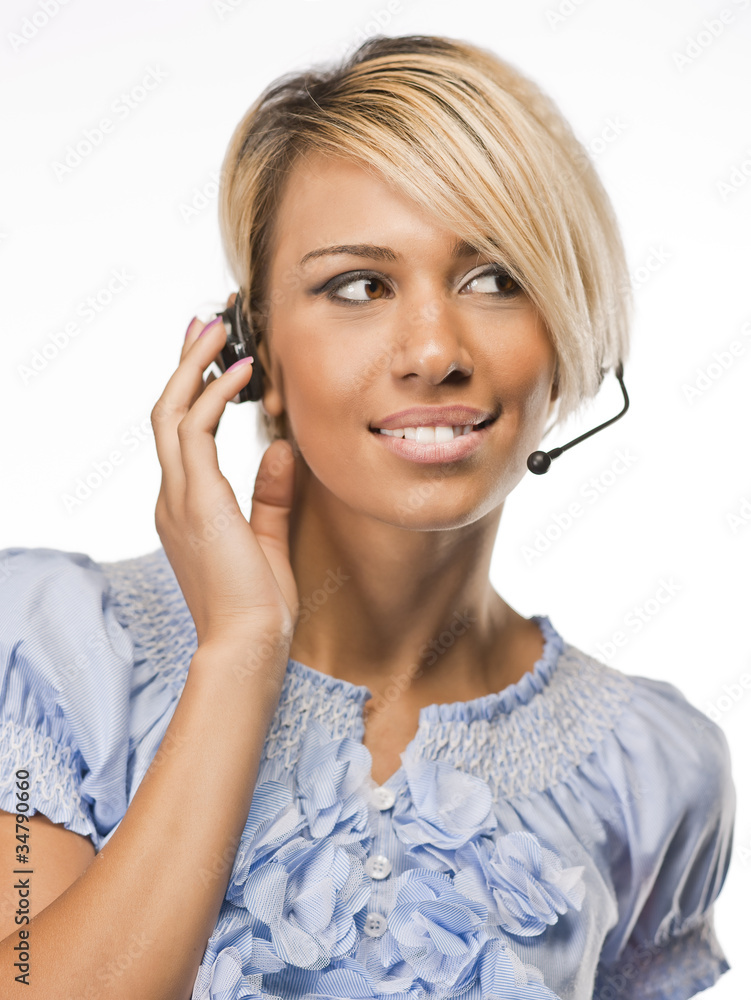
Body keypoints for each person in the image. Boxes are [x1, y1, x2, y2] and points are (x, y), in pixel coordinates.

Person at [0, 33, 735, 1000]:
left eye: (494, 277)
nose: (432, 351)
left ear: (564, 331)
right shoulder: (50, 653)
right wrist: (237, 654)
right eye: (358, 285)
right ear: (249, 347)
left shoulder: (654, 773)